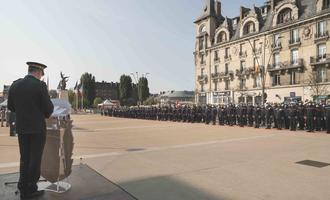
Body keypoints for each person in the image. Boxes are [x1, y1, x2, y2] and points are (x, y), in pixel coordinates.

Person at [7, 62, 54, 199]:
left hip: (22, 128)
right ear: (39, 73)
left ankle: (22, 186)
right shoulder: (40, 86)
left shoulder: (15, 85)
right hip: (37, 129)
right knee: (35, 159)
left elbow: (11, 107)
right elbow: (49, 109)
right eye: (41, 75)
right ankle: (31, 189)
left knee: (24, 158)